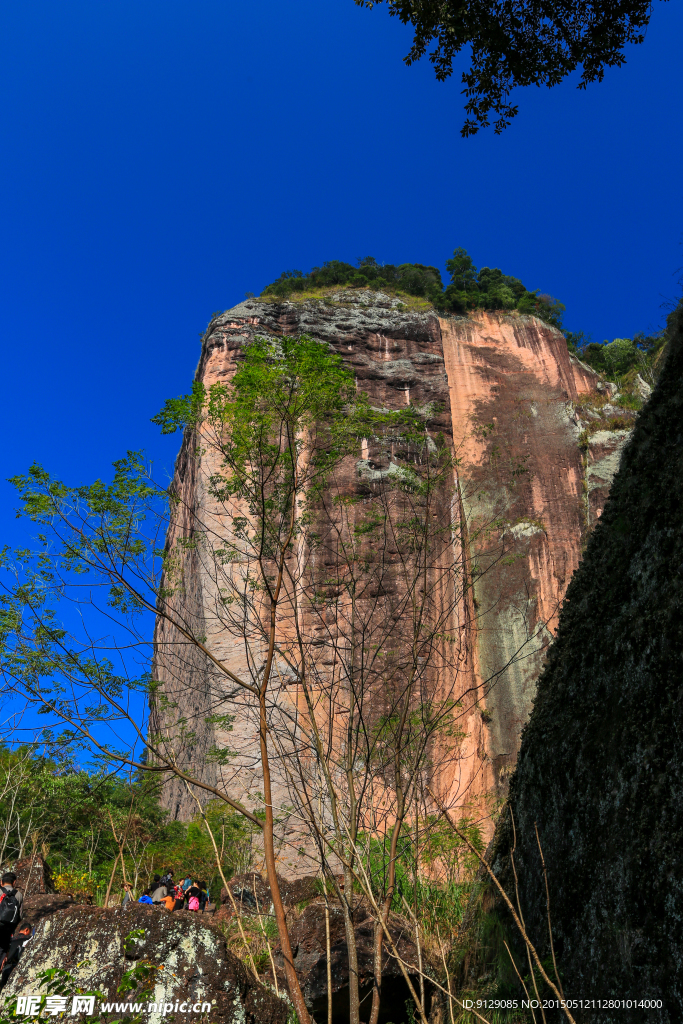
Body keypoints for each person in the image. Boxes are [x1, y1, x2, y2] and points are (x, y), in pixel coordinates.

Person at [0, 924, 32, 989]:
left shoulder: (10, 940)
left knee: (3, 988)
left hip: (6, 968)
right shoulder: (28, 939)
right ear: (26, 930)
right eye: (29, 932)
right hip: (16, 968)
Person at [0, 874, 23, 959]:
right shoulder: (19, 895)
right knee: (2, 953)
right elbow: (20, 915)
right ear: (14, 882)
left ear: (1, 882)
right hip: (7, 930)